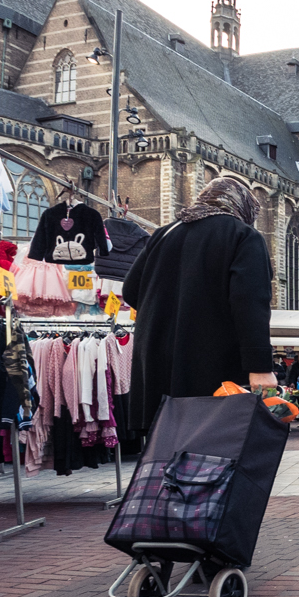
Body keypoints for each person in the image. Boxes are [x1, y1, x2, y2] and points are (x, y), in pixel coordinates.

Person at [123, 175, 278, 433]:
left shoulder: (164, 233)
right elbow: (250, 304)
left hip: (156, 368)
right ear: (242, 205)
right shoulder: (243, 235)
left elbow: (130, 290)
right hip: (212, 367)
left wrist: (167, 307)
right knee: (212, 454)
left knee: (167, 451)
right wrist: (260, 367)